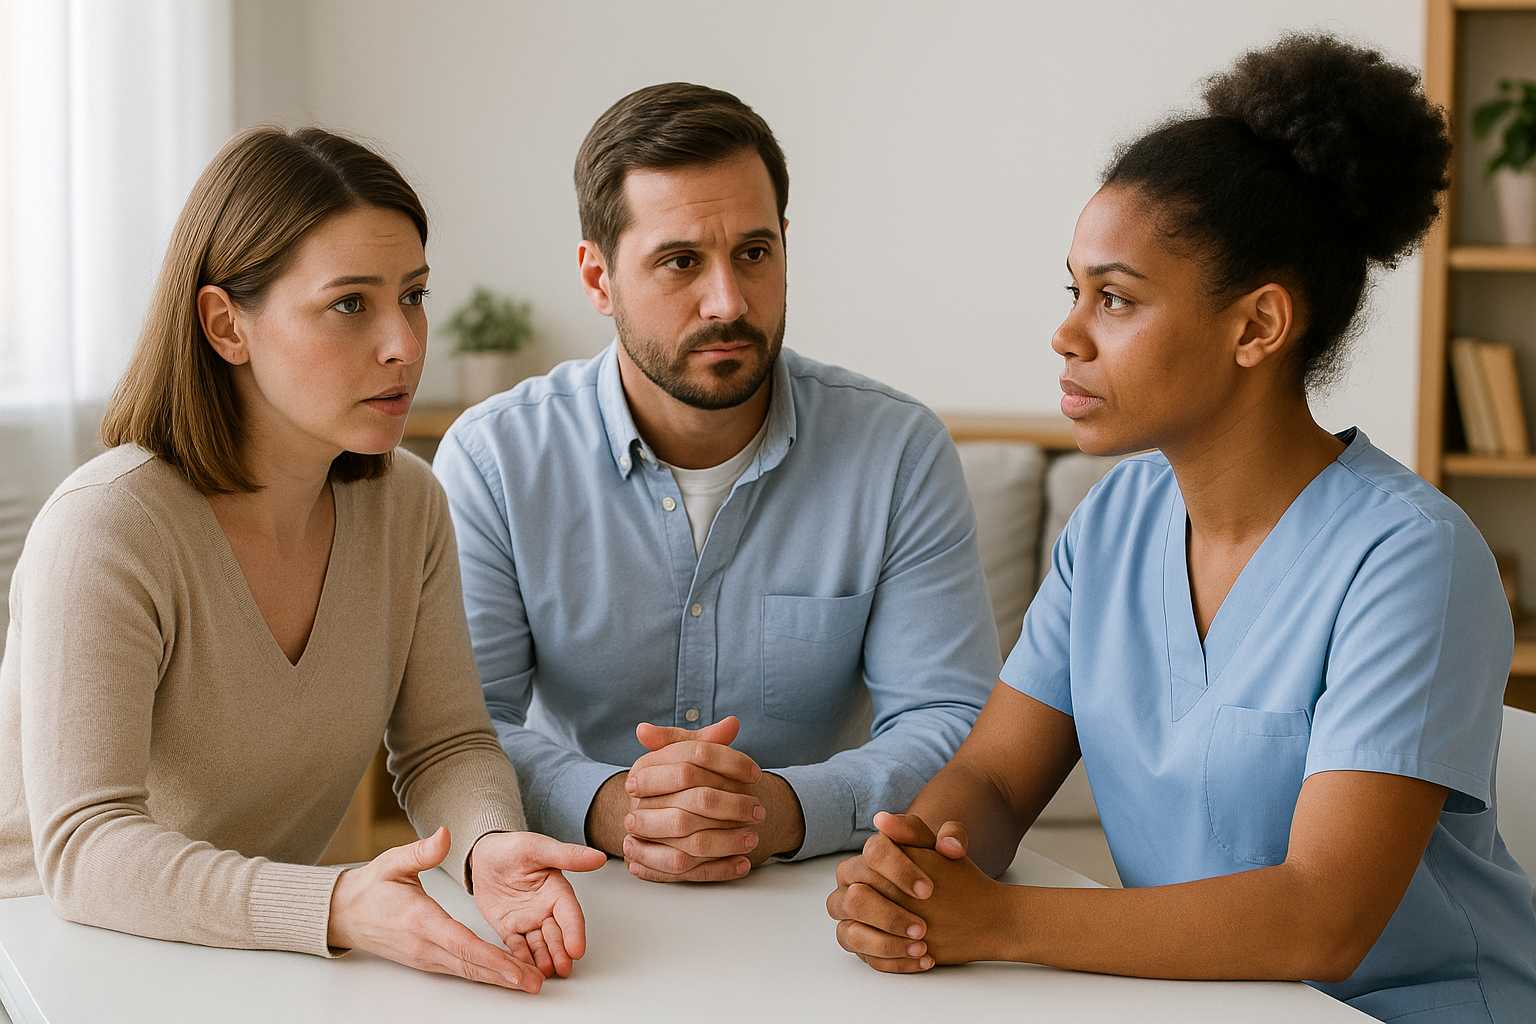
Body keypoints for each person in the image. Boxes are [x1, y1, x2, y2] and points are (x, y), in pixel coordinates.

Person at [826, 34, 1536, 1023]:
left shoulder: (1412, 558)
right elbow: (992, 777)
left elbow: (1321, 918)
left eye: (1114, 297)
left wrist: (995, 921)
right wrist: (915, 867)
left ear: (1257, 327)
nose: (1067, 333)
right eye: (1071, 290)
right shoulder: (1112, 521)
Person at [0, 126, 606, 993]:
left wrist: (486, 845)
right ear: (225, 325)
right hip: (45, 969)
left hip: (245, 967)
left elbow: (446, 743)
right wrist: (333, 905)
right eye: (350, 304)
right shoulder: (108, 530)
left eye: (415, 296)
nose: (403, 342)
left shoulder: (408, 505)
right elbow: (86, 849)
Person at [433, 83, 1000, 883]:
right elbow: (458, 729)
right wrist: (609, 805)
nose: (729, 301)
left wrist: (783, 809)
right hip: (575, 889)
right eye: (680, 262)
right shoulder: (494, 462)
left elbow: (950, 717)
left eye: (754, 253)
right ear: (598, 278)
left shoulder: (897, 452)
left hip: (820, 890)